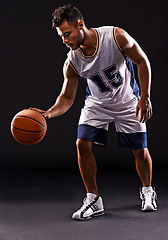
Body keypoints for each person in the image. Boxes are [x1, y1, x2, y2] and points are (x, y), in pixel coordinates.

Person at [31, 4, 157, 220]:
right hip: (97, 104)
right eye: (61, 36)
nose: (64, 40)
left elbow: (142, 61)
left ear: (81, 25)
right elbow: (67, 98)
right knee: (81, 144)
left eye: (67, 34)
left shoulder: (116, 36)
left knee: (139, 150)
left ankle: (147, 190)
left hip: (127, 101)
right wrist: (48, 114)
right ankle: (94, 199)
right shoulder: (72, 61)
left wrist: (145, 97)